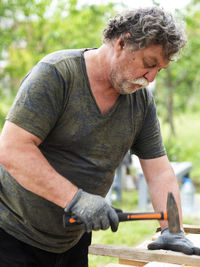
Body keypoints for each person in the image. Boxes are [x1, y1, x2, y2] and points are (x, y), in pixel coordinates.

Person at [0, 6, 199, 267]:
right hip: (12, 236)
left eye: (159, 71)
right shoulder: (57, 74)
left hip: (73, 240)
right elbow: (12, 149)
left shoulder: (140, 102)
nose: (150, 79)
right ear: (122, 43)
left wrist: (172, 228)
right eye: (149, 64)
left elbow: (159, 171)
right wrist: (76, 199)